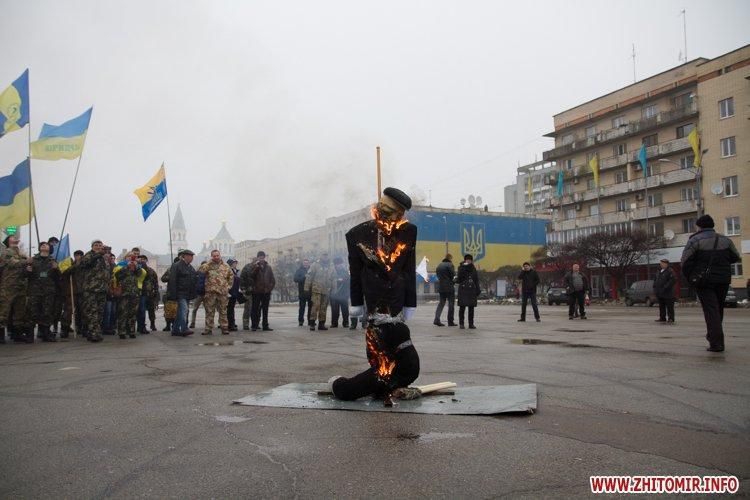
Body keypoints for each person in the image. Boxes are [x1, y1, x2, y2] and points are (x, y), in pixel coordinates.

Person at [330, 187, 419, 401]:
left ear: (400, 214)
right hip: (374, 301)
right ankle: (347, 388)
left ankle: (364, 387)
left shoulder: (408, 231)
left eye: (391, 211)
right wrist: (357, 302)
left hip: (397, 301)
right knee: (379, 356)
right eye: (382, 207)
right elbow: (356, 273)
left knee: (402, 361)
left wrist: (410, 303)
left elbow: (408, 269)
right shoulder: (357, 234)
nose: (384, 213)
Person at [681, 214, 740, 352]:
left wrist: (691, 276)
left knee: (711, 310)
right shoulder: (725, 240)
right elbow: (735, 257)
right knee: (718, 309)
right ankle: (715, 337)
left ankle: (716, 342)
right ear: (712, 225)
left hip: (704, 281)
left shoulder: (695, 240)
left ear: (699, 226)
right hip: (723, 279)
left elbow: (685, 262)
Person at [26, 241, 60, 342]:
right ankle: (30, 335)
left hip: (48, 291)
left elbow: (58, 278)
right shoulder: (33, 260)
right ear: (39, 248)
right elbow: (25, 276)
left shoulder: (53, 261)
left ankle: (46, 333)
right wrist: (27, 269)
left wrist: (56, 269)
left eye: (46, 244)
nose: (44, 245)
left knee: (47, 312)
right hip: (35, 290)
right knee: (32, 312)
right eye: (42, 244)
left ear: (49, 248)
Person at [0, 236, 32, 343]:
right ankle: (1, 335)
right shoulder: (6, 252)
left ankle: (17, 333)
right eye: (13, 237)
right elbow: (12, 263)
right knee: (4, 310)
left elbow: (24, 271)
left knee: (20, 311)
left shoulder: (21, 254)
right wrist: (26, 262)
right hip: (9, 286)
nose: (16, 239)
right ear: (8, 241)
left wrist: (28, 269)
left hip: (21, 286)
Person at [80, 240, 111, 343]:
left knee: (100, 312)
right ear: (92, 246)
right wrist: (98, 255)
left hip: (102, 289)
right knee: (92, 312)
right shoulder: (89, 255)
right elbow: (85, 263)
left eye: (100, 245)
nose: (98, 247)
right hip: (91, 289)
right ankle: (94, 333)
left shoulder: (104, 258)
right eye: (96, 245)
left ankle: (94, 332)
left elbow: (107, 273)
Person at [198, 250, 233, 335]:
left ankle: (224, 328)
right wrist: (208, 263)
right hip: (211, 292)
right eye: (214, 256)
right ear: (211, 256)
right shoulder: (208, 266)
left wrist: (228, 287)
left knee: (223, 311)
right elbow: (201, 271)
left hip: (222, 292)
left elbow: (231, 277)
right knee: (209, 311)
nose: (216, 257)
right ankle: (208, 329)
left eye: (217, 255)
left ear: (220, 255)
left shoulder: (226, 266)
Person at [167, 249, 197, 337]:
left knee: (180, 312)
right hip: (180, 293)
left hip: (187, 294)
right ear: (185, 256)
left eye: (192, 256)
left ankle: (175, 330)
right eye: (190, 256)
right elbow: (172, 280)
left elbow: (193, 280)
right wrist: (173, 294)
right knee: (184, 310)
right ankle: (184, 328)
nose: (191, 258)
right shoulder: (177, 266)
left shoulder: (190, 268)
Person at [304, 252, 336, 331]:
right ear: (320, 256)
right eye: (324, 255)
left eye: (326, 255)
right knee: (315, 306)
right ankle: (312, 323)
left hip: (326, 290)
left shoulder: (331, 266)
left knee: (323, 307)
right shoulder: (315, 265)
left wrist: (334, 289)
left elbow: (334, 278)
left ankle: (321, 324)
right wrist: (306, 288)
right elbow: (309, 277)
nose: (325, 256)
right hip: (316, 290)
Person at [114, 259, 144, 339]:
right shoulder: (121, 266)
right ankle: (122, 332)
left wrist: (136, 266)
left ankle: (131, 331)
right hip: (124, 294)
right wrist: (127, 267)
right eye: (129, 257)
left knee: (133, 313)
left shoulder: (136, 268)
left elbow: (140, 274)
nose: (131, 260)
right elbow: (117, 275)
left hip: (134, 293)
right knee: (123, 313)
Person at [59, 250, 84, 338]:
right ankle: (64, 328)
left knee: (82, 311)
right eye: (77, 255)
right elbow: (65, 272)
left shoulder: (84, 265)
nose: (79, 257)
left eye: (80, 255)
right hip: (71, 291)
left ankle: (80, 328)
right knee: (68, 311)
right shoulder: (70, 264)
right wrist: (75, 265)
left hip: (82, 291)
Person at [249, 251, 275, 331]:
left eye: (263, 257)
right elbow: (251, 276)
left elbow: (272, 280)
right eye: (260, 257)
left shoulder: (268, 267)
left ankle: (265, 325)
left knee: (265, 309)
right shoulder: (254, 266)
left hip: (266, 292)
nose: (261, 259)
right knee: (255, 309)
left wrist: (269, 288)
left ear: (264, 257)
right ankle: (254, 325)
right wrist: (257, 268)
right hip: (257, 292)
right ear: (257, 258)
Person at [456, 254, 480, 329]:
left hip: (472, 290)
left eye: (470, 259)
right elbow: (459, 278)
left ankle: (471, 324)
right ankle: (461, 324)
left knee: (471, 308)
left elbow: (476, 279)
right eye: (467, 259)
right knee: (462, 307)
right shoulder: (461, 267)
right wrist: (464, 266)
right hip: (463, 290)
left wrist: (478, 289)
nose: (469, 260)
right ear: (465, 260)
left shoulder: (473, 268)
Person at [433, 253, 456, 327]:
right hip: (449, 287)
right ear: (450, 258)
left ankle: (436, 319)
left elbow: (438, 275)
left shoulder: (439, 265)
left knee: (441, 303)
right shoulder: (450, 265)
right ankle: (450, 321)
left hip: (441, 287)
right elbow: (453, 275)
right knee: (451, 304)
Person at [138, 255, 160, 332]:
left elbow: (156, 283)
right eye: (141, 259)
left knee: (151, 310)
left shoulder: (151, 271)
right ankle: (141, 326)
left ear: (147, 261)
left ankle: (152, 324)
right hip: (141, 293)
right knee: (141, 310)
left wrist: (156, 293)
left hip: (150, 293)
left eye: (144, 259)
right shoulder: (138, 271)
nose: (143, 260)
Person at [653, 258, 676, 324]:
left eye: (662, 263)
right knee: (661, 306)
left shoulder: (670, 271)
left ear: (666, 264)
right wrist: (655, 287)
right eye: (660, 263)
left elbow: (673, 280)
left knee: (669, 306)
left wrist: (665, 287)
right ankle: (662, 318)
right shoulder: (659, 271)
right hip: (660, 292)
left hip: (668, 293)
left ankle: (671, 318)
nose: (661, 265)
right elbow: (655, 279)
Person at [330, 257, 350, 328]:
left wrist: (343, 280)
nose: (339, 265)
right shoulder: (332, 271)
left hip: (344, 294)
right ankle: (334, 323)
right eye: (337, 264)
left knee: (345, 310)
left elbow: (348, 281)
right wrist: (338, 280)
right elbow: (329, 280)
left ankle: (346, 322)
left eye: (340, 264)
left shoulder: (345, 271)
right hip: (334, 294)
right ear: (335, 264)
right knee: (335, 310)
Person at [293, 259, 312, 327]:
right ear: (303, 264)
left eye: (307, 263)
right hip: (302, 292)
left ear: (309, 263)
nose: (306, 264)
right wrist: (304, 277)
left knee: (311, 308)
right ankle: (301, 321)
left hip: (311, 292)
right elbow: (295, 279)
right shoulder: (299, 270)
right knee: (302, 308)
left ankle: (310, 321)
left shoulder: (312, 270)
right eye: (305, 263)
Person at [189, 261, 207, 329]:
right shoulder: (197, 273)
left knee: (208, 310)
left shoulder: (208, 273)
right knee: (194, 309)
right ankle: (192, 323)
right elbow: (193, 282)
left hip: (205, 294)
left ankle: (208, 323)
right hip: (198, 294)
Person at [239, 259, 255, 330]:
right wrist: (243, 289)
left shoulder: (260, 268)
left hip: (257, 292)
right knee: (247, 308)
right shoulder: (247, 267)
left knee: (256, 309)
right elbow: (242, 278)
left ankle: (255, 323)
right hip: (248, 291)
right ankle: (246, 324)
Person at [226, 258, 241, 331]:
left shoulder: (235, 271)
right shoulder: (228, 272)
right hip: (230, 293)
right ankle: (230, 325)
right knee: (230, 309)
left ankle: (232, 323)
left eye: (236, 263)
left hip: (234, 292)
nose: (235, 264)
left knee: (231, 309)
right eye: (234, 263)